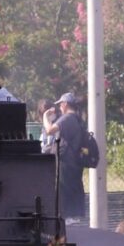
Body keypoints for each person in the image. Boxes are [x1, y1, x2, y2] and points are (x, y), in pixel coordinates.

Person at [42, 92, 86, 220]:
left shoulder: (67, 118)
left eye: (61, 104)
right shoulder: (77, 118)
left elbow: (49, 131)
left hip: (66, 161)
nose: (60, 107)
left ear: (65, 104)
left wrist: (45, 116)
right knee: (72, 187)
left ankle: (68, 219)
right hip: (74, 161)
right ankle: (73, 217)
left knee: (63, 189)